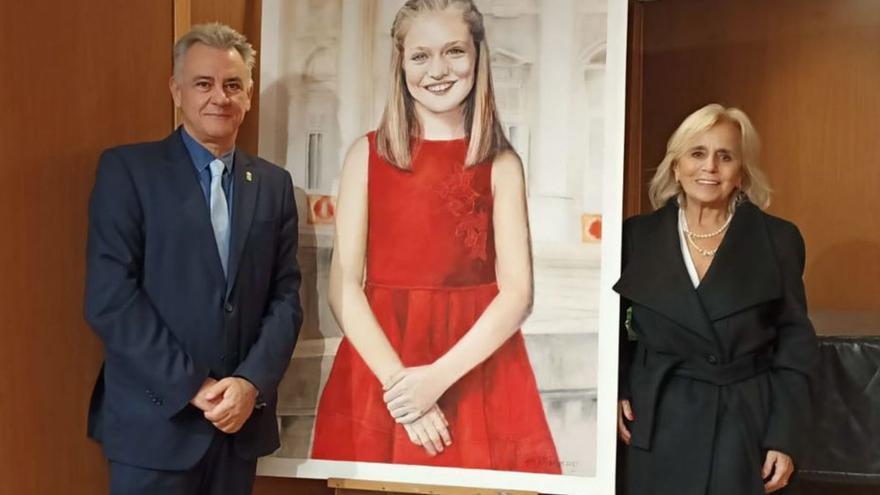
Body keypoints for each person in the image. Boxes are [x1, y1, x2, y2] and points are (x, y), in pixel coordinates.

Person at [310, 0, 560, 473]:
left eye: (454, 52)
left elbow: (519, 293)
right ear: (400, 63)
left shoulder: (502, 164)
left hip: (476, 367)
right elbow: (343, 288)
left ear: (477, 57)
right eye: (421, 55)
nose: (438, 70)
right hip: (382, 364)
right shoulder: (365, 155)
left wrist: (436, 380)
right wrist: (405, 391)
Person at [84, 23, 302, 495]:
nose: (218, 98)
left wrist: (250, 383)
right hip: (154, 427)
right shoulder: (128, 171)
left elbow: (286, 297)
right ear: (176, 90)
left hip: (236, 428)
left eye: (233, 85)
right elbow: (110, 298)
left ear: (247, 96)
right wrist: (193, 385)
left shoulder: (274, 185)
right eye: (203, 84)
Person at [614, 104, 818, 494]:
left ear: (741, 172)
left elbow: (796, 346)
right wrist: (616, 388)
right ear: (676, 166)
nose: (710, 167)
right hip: (655, 421)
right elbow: (615, 331)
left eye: (725, 156)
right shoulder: (636, 237)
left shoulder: (778, 240)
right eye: (697, 153)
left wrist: (784, 436)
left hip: (743, 425)